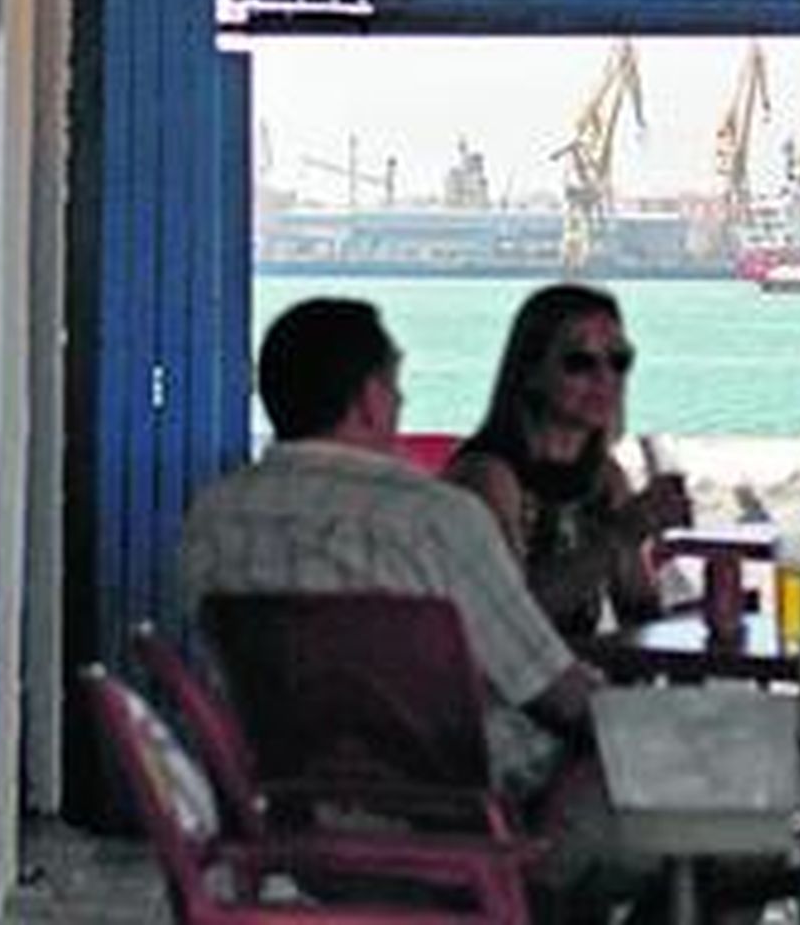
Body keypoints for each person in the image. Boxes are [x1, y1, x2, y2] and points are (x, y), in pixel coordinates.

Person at [177, 297, 647, 923]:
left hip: (297, 823)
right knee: (713, 846)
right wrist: (667, 734)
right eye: (396, 386)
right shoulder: (437, 520)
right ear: (371, 397)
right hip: (481, 821)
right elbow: (553, 692)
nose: (400, 406)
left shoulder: (211, 520)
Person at [443, 283, 691, 640]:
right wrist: (620, 536)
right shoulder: (488, 475)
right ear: (531, 372)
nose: (605, 378)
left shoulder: (604, 477)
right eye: (579, 362)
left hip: (582, 683)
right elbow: (509, 619)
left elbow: (639, 612)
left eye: (619, 361)